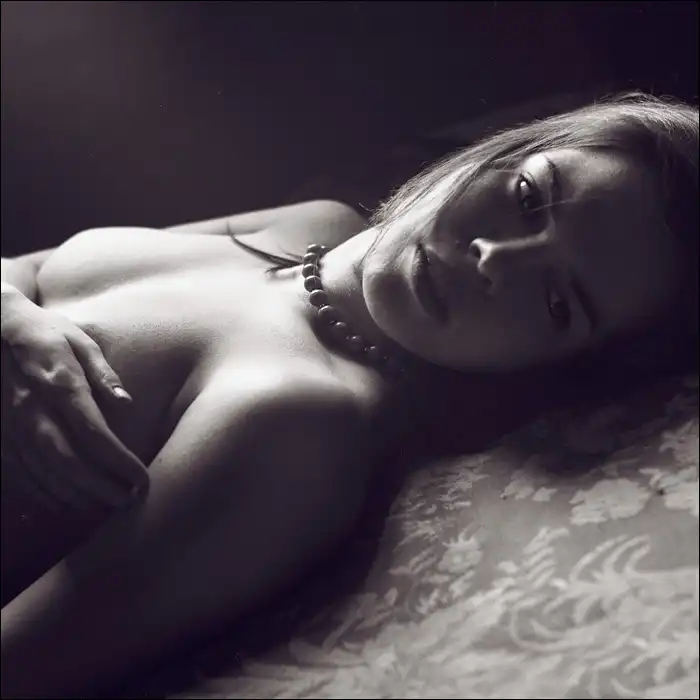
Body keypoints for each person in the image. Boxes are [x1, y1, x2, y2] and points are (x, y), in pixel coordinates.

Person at [1, 91, 697, 698]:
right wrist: (16, 319)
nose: (494, 259)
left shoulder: (296, 426)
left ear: (557, 367)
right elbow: (24, 269)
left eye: (556, 303)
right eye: (526, 198)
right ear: (504, 150)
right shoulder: (316, 226)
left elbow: (23, 662)